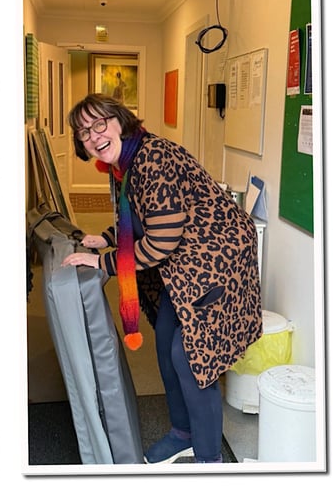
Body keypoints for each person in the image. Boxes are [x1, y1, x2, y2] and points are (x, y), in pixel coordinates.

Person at [61, 93, 262, 464]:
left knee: (189, 357)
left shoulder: (154, 158)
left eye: (100, 123)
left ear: (120, 121)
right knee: (167, 343)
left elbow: (161, 242)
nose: (94, 136)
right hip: (182, 267)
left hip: (216, 261)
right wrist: (106, 238)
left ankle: (209, 459)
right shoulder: (123, 164)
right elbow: (142, 215)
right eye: (84, 132)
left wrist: (103, 262)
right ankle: (183, 433)